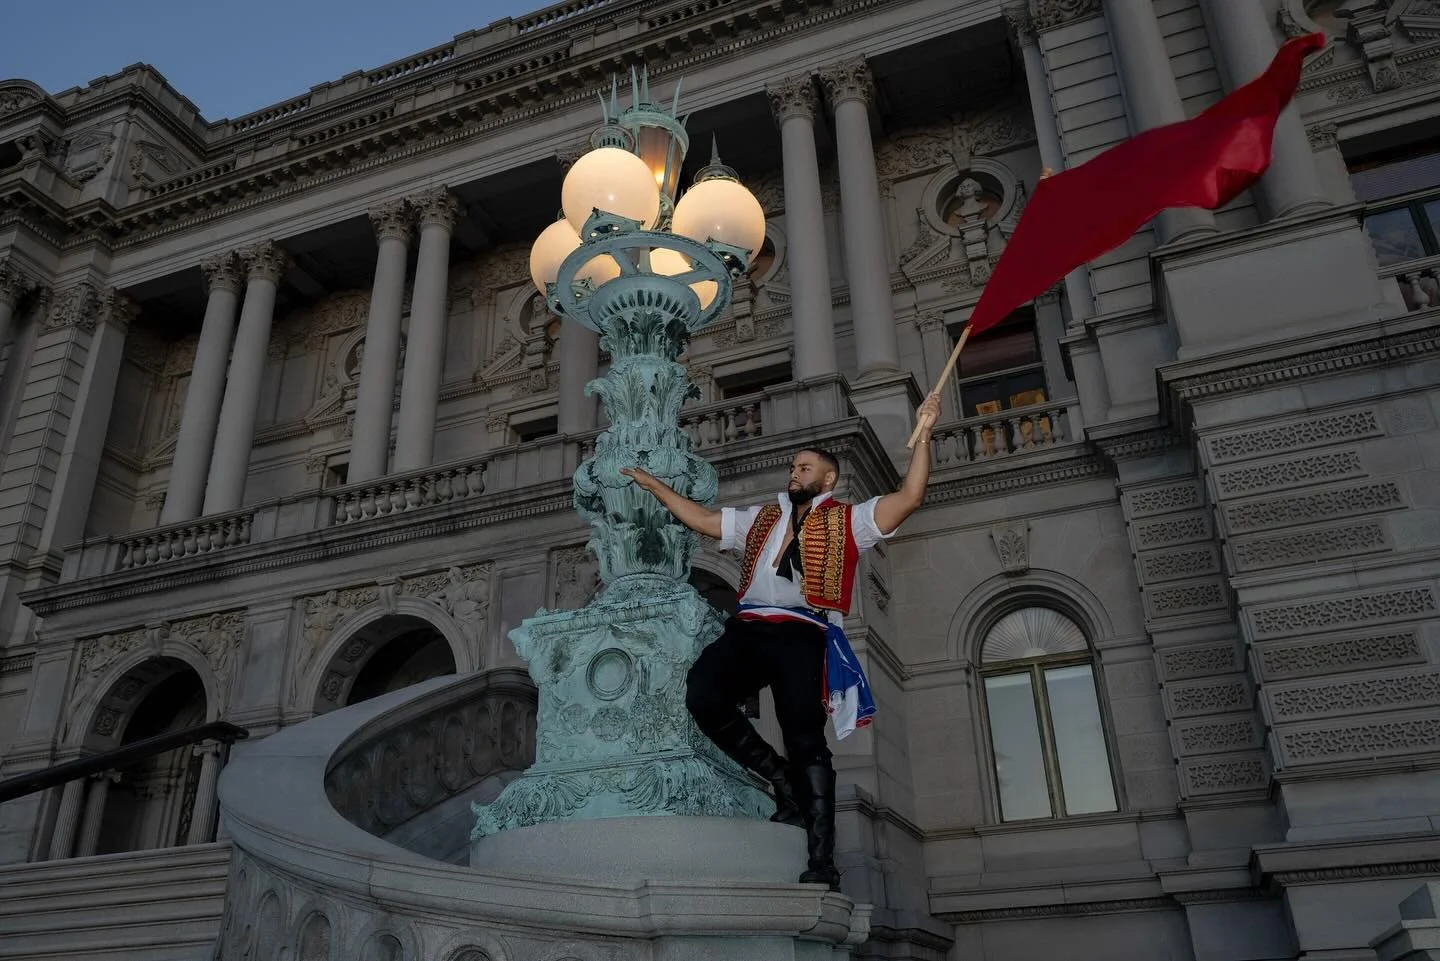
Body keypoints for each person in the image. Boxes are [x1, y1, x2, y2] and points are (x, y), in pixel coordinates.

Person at [622, 392, 942, 890]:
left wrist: (923, 434)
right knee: (702, 695)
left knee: (805, 739)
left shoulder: (849, 520)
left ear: (827, 478)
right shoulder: (760, 517)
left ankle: (822, 861)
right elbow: (706, 522)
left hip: (803, 631)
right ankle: (781, 780)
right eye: (793, 467)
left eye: (805, 467)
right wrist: (654, 486)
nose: (795, 473)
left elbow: (910, 498)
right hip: (749, 626)